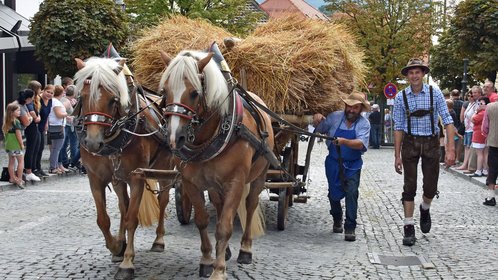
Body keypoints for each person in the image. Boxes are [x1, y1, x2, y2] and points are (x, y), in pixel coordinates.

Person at [393, 58, 455, 246]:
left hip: (431, 143)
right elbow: (398, 127)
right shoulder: (400, 97)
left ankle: (425, 208)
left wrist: (450, 149)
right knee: (409, 186)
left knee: (430, 187)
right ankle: (408, 227)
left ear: (423, 74)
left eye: (417, 72)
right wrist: (397, 155)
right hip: (410, 143)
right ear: (407, 75)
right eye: (411, 73)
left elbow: (447, 121)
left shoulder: (434, 93)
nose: (414, 76)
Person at [313, 92, 370, 242]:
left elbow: (361, 144)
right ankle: (337, 217)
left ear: (361, 109)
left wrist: (344, 141)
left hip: (353, 164)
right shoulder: (334, 117)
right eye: (349, 106)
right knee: (333, 192)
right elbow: (320, 128)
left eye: (355, 107)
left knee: (352, 192)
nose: (351, 110)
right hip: (333, 162)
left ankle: (350, 226)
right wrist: (317, 118)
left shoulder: (364, 124)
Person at [16, 89, 42, 182]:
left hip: (22, 131)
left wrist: (30, 118)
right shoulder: (20, 106)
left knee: (30, 149)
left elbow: (29, 117)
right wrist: (31, 118)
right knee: (21, 154)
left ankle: (26, 172)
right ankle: (25, 173)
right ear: (28, 99)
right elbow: (27, 121)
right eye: (32, 98)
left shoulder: (23, 105)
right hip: (18, 132)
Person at [456, 86, 481, 171]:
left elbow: (475, 116)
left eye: (473, 94)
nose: (471, 96)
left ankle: (468, 164)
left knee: (469, 146)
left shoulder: (477, 104)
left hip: (472, 128)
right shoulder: (469, 104)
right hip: (467, 128)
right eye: (470, 95)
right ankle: (465, 164)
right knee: (466, 146)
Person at [2, 102, 25, 188]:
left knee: (11, 162)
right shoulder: (16, 122)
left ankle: (12, 177)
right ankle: (19, 178)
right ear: (12, 112)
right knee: (20, 161)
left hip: (9, 145)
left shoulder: (7, 122)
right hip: (16, 145)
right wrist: (21, 144)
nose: (19, 112)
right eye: (18, 110)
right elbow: (18, 134)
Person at [34, 85, 54, 177]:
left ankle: (38, 167)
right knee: (35, 148)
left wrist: (46, 124)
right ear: (44, 91)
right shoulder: (39, 100)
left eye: (51, 93)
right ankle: (33, 168)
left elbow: (47, 114)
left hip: (42, 127)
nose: (49, 94)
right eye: (48, 92)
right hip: (36, 127)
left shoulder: (50, 101)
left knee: (41, 148)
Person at [481, 96, 498, 206]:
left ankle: (491, 196)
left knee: (492, 169)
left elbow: (485, 127)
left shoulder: (490, 107)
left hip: (494, 142)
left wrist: (489, 134)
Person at [59, 85, 80, 170]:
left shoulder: (66, 100)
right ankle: (71, 162)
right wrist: (68, 117)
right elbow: (61, 111)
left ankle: (66, 161)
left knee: (65, 144)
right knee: (72, 144)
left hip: (67, 125)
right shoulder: (66, 101)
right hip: (68, 125)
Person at [48, 85, 68, 174]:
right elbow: (59, 115)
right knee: (56, 148)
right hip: (57, 126)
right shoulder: (56, 102)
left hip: (56, 125)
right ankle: (53, 167)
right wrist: (65, 114)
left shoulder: (54, 101)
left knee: (55, 148)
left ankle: (55, 165)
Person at [469, 97, 490, 177]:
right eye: (479, 103)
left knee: (479, 153)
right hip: (484, 134)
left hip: (478, 134)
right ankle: (485, 170)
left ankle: (478, 170)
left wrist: (476, 112)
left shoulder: (481, 113)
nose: (479, 105)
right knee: (485, 153)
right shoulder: (487, 112)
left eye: (481, 104)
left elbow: (473, 119)